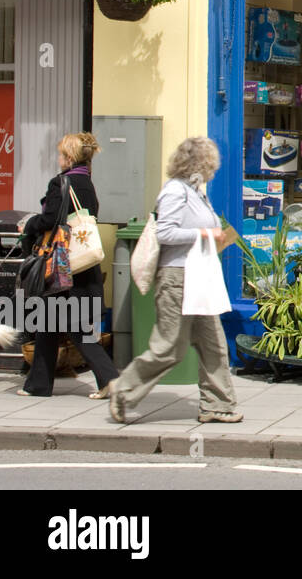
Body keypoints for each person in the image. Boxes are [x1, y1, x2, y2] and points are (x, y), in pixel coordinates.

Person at [108, 137, 242, 423]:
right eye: (211, 164)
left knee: (213, 344)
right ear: (200, 163)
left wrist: (214, 236)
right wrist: (206, 235)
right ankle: (123, 389)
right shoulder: (174, 192)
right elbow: (165, 233)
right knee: (169, 347)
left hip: (199, 277)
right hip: (177, 277)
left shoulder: (196, 193)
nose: (214, 170)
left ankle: (218, 405)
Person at [19, 133, 119, 398]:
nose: (58, 158)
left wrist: (28, 225)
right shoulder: (87, 183)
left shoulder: (61, 182)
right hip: (82, 264)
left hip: (61, 266)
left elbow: (50, 219)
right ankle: (38, 385)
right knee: (51, 323)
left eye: (61, 154)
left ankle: (110, 378)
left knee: (69, 325)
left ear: (69, 157)